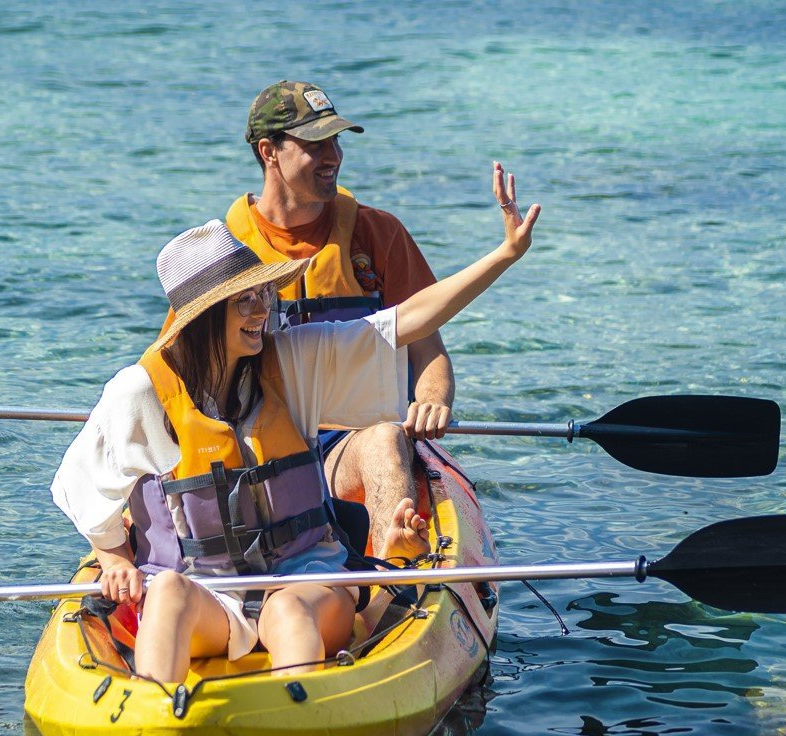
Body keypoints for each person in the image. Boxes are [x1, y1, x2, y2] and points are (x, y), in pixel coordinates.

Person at [52, 167, 538, 684]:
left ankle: (300, 716)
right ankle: (153, 726)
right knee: (167, 590)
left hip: (307, 580)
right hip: (209, 592)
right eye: (245, 299)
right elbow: (82, 487)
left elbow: (407, 321)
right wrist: (113, 558)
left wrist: (504, 254)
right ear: (202, 319)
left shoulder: (293, 363)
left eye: (263, 294)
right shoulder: (140, 391)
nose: (262, 309)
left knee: (286, 611)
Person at [230, 80, 459, 562]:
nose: (333, 155)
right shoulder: (222, 252)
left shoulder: (378, 233)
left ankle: (393, 578)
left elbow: (427, 348)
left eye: (336, 140)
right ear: (269, 151)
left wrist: (432, 399)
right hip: (257, 450)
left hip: (346, 445)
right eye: (315, 144)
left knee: (383, 438)